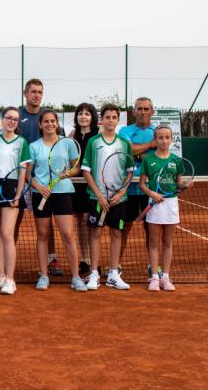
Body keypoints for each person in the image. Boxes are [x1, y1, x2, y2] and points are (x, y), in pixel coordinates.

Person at [29, 110, 88, 292]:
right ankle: (44, 275)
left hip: (62, 192)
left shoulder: (67, 143)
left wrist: (68, 173)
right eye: (45, 121)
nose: (49, 124)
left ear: (57, 123)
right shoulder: (34, 146)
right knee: (42, 235)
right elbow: (27, 174)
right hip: (41, 194)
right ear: (40, 124)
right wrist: (38, 187)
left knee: (68, 235)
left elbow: (76, 167)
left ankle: (76, 277)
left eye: (52, 121)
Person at [81, 103, 133, 290]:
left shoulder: (125, 143)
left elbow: (129, 172)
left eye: (114, 117)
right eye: (107, 117)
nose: (110, 120)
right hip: (97, 199)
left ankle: (113, 274)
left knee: (116, 233)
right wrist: (99, 196)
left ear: (118, 120)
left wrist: (121, 192)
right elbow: (86, 171)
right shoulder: (93, 142)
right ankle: (94, 273)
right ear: (101, 119)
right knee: (95, 233)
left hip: (119, 200)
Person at [0, 106, 31, 295]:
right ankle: (0, 275)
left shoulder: (22, 143)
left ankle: (10, 279)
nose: (11, 121)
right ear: (2, 119)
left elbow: (23, 171)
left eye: (15, 119)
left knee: (7, 234)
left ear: (17, 123)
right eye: (8, 118)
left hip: (11, 188)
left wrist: (18, 195)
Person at [18, 79, 62, 277]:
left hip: (44, 180)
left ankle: (51, 259)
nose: (37, 95)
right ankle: (9, 259)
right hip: (22, 177)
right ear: (25, 93)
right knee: (15, 218)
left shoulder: (47, 116)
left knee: (47, 220)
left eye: (40, 92)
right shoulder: (17, 116)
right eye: (33, 91)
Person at [139, 125, 189, 292]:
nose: (164, 141)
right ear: (156, 139)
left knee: (168, 242)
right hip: (154, 204)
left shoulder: (177, 160)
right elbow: (142, 185)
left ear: (171, 139)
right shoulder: (148, 160)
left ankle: (165, 277)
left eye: (167, 137)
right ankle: (154, 277)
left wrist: (185, 185)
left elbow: (178, 183)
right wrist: (152, 193)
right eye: (160, 137)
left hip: (171, 204)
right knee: (153, 242)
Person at [118, 97, 158, 275]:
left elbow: (160, 153)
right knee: (123, 228)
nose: (143, 112)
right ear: (133, 111)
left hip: (150, 188)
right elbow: (128, 150)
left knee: (151, 229)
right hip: (129, 187)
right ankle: (116, 265)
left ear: (152, 111)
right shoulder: (125, 130)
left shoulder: (158, 131)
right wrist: (150, 145)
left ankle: (153, 266)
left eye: (146, 109)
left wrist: (141, 152)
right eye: (139, 109)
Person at [68, 103, 99, 278]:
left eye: (87, 114)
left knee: (91, 222)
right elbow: (72, 161)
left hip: (92, 184)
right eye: (80, 113)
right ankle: (85, 259)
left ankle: (95, 262)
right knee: (79, 221)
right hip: (76, 184)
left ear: (92, 117)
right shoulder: (72, 136)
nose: (83, 117)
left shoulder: (98, 135)